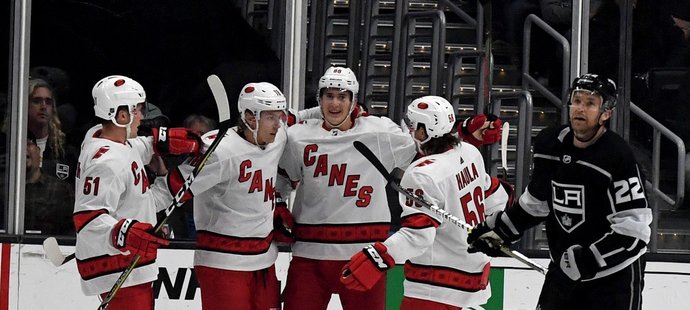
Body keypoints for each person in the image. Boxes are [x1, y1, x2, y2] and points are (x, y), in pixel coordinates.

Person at [467, 73, 651, 310]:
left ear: (606, 113)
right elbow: (536, 203)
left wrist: (586, 260)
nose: (580, 109)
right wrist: (501, 229)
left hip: (614, 280)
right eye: (577, 100)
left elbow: (634, 233)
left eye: (590, 103)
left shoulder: (619, 158)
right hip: (565, 270)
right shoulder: (549, 144)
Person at [339, 96, 511, 309]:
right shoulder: (470, 152)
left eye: (413, 126)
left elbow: (418, 236)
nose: (410, 131)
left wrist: (377, 257)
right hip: (474, 276)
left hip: (434, 288)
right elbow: (494, 195)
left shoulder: (422, 174)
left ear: (423, 132)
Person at [278, 66, 417, 310]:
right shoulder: (297, 137)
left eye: (342, 96)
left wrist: (468, 134)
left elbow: (427, 145)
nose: (335, 103)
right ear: (319, 99)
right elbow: (281, 177)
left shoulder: (380, 133)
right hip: (309, 256)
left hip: (364, 257)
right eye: (329, 96)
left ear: (353, 101)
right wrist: (277, 204)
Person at [73, 75, 199, 309]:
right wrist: (126, 233)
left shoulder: (101, 136)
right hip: (120, 267)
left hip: (129, 263)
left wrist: (160, 142)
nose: (141, 116)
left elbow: (133, 149)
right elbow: (88, 220)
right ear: (122, 116)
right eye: (137, 110)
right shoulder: (106, 163)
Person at [163, 82, 291, 310]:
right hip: (223, 265)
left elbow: (299, 118)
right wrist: (132, 221)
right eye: (271, 117)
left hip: (264, 260)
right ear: (251, 118)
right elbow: (169, 190)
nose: (279, 124)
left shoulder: (277, 137)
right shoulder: (218, 152)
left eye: (279, 116)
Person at [25, 78, 79, 184]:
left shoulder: (66, 153)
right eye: (36, 101)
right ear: (24, 105)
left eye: (48, 102)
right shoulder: (11, 147)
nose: (43, 107)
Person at [23, 132, 75, 235]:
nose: (23, 148)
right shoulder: (3, 188)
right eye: (18, 144)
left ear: (39, 151)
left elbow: (72, 229)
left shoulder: (61, 189)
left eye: (28, 143)